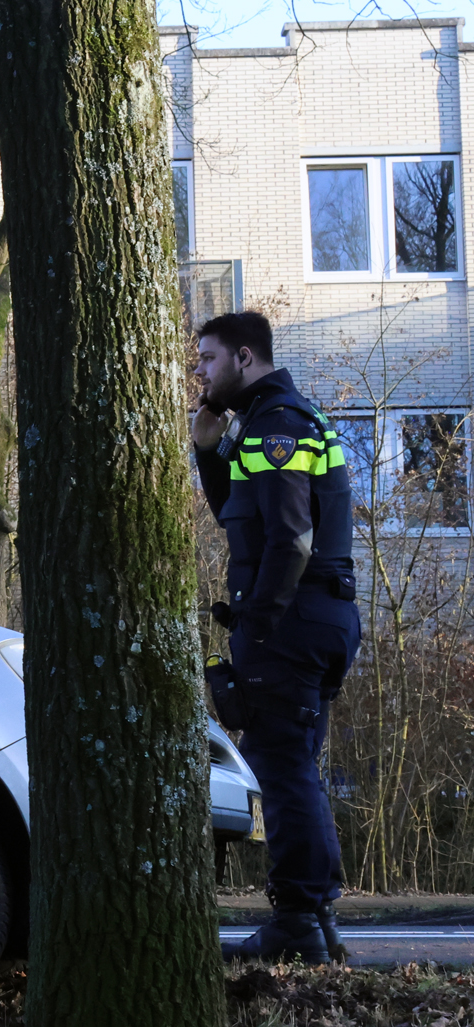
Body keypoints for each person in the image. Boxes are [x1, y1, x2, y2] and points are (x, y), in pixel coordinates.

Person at [192, 311, 359, 964]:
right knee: (297, 769)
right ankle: (317, 921)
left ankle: (296, 921)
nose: (200, 372)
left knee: (282, 769)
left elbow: (289, 536)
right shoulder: (283, 420)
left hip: (294, 621)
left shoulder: (278, 425)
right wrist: (208, 450)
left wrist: (258, 620)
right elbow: (242, 512)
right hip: (321, 616)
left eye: (206, 359)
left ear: (243, 356)